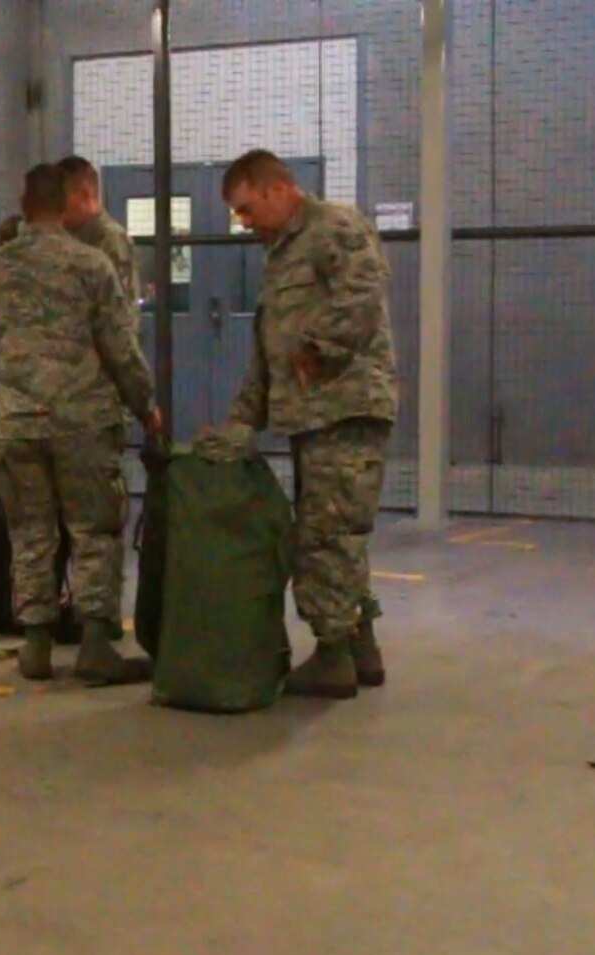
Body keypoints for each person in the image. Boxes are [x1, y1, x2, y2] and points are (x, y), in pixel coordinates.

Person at [0, 163, 164, 684]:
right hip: (83, 421)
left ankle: (37, 645)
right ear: (65, 205)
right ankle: (94, 643)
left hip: (16, 424)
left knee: (30, 531)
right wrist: (146, 406)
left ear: (25, 205)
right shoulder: (91, 265)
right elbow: (120, 346)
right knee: (93, 530)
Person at [214, 149, 398, 700]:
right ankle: (360, 649)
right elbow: (268, 349)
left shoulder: (333, 229)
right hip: (312, 415)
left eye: (247, 208)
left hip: (345, 407)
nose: (244, 223)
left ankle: (334, 655)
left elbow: (364, 289)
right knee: (332, 530)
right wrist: (244, 419)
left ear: (277, 188)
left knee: (326, 535)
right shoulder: (280, 254)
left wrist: (322, 348)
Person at [57, 156, 140, 326]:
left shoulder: (110, 239)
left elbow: (122, 313)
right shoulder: (72, 237)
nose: (57, 208)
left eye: (61, 200)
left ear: (85, 195)